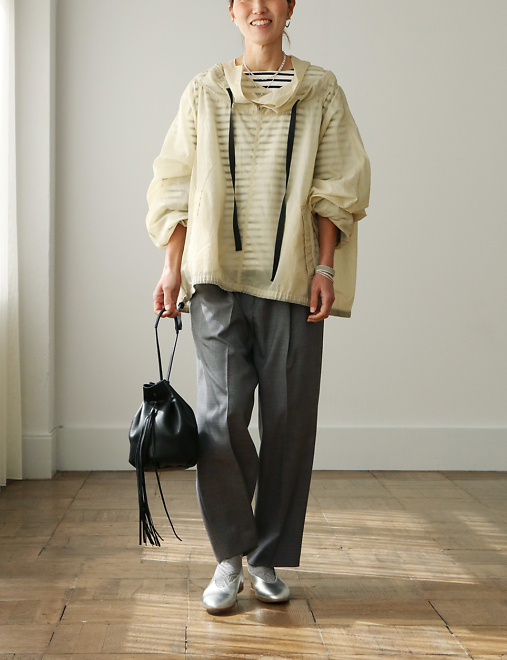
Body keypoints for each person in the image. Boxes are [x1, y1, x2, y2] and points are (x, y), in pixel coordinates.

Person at [145, 0, 371, 615]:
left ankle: (266, 555)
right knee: (220, 421)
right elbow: (175, 183)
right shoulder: (204, 91)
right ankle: (230, 554)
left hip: (293, 279)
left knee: (289, 422)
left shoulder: (321, 91)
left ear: (290, 6)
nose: (259, 7)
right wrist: (171, 268)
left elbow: (337, 185)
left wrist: (325, 268)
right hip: (214, 279)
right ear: (231, 10)